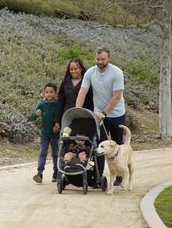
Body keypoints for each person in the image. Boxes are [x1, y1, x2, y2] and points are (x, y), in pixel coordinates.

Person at [75, 46, 125, 185]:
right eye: (97, 59)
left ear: (108, 58)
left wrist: (105, 113)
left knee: (117, 144)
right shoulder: (90, 72)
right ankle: (99, 176)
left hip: (116, 114)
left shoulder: (116, 73)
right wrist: (77, 110)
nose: (100, 62)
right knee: (99, 146)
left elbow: (116, 97)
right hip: (98, 114)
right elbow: (82, 92)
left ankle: (120, 175)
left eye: (103, 59)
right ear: (94, 58)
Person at [29, 83, 59, 183]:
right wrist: (36, 114)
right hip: (45, 133)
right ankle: (39, 174)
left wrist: (58, 125)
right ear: (44, 93)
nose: (49, 94)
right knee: (43, 153)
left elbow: (61, 116)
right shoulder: (42, 104)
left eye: (51, 92)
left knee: (56, 154)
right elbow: (32, 117)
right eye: (47, 92)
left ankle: (56, 174)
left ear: (55, 93)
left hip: (55, 134)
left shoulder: (58, 104)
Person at [54, 58, 94, 134]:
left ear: (81, 69)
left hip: (84, 117)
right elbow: (60, 102)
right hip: (67, 116)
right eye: (71, 69)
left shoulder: (86, 82)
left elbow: (91, 101)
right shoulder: (65, 83)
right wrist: (57, 121)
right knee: (66, 139)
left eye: (76, 69)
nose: (73, 71)